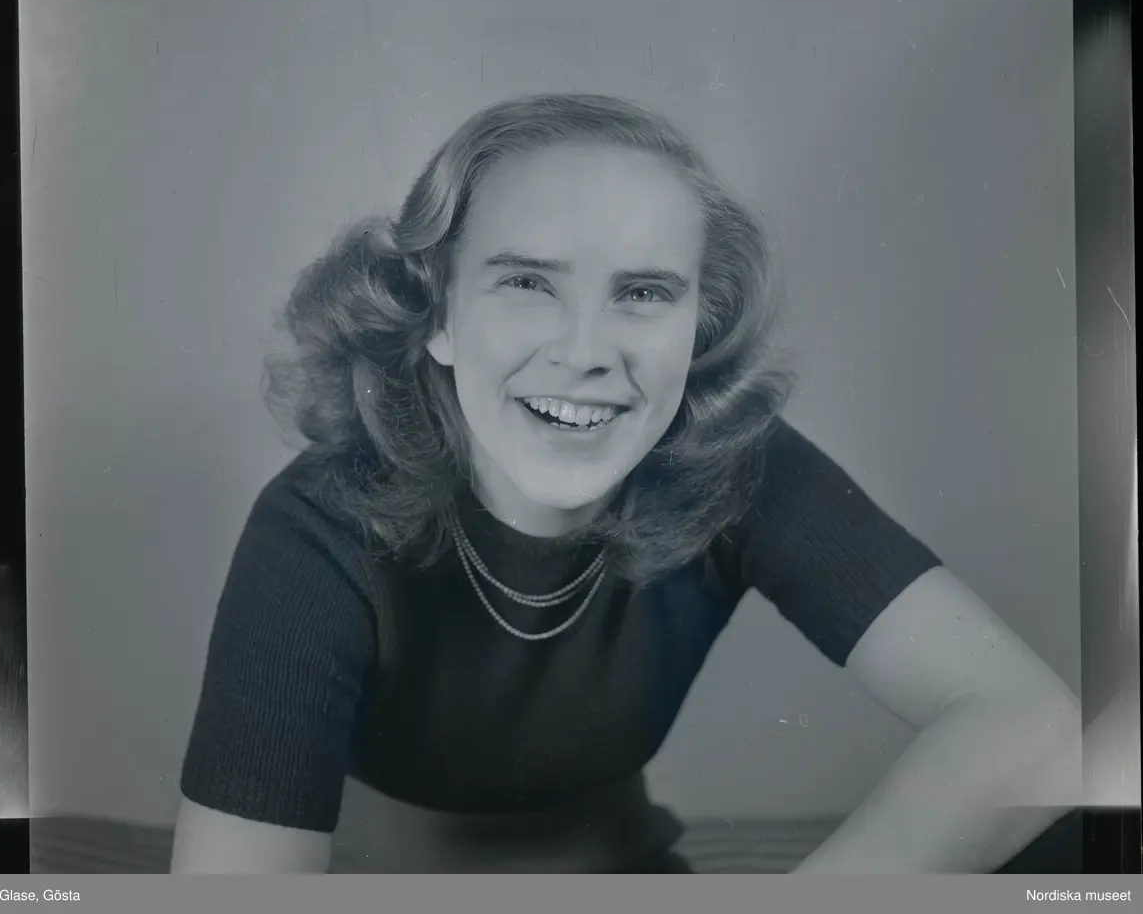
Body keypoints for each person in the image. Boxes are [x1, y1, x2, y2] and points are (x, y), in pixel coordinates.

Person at [171, 94, 1080, 874]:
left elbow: (1033, 724)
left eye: (643, 293)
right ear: (437, 313)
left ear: (698, 326)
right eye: (527, 282)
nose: (585, 354)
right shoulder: (315, 522)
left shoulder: (737, 462)